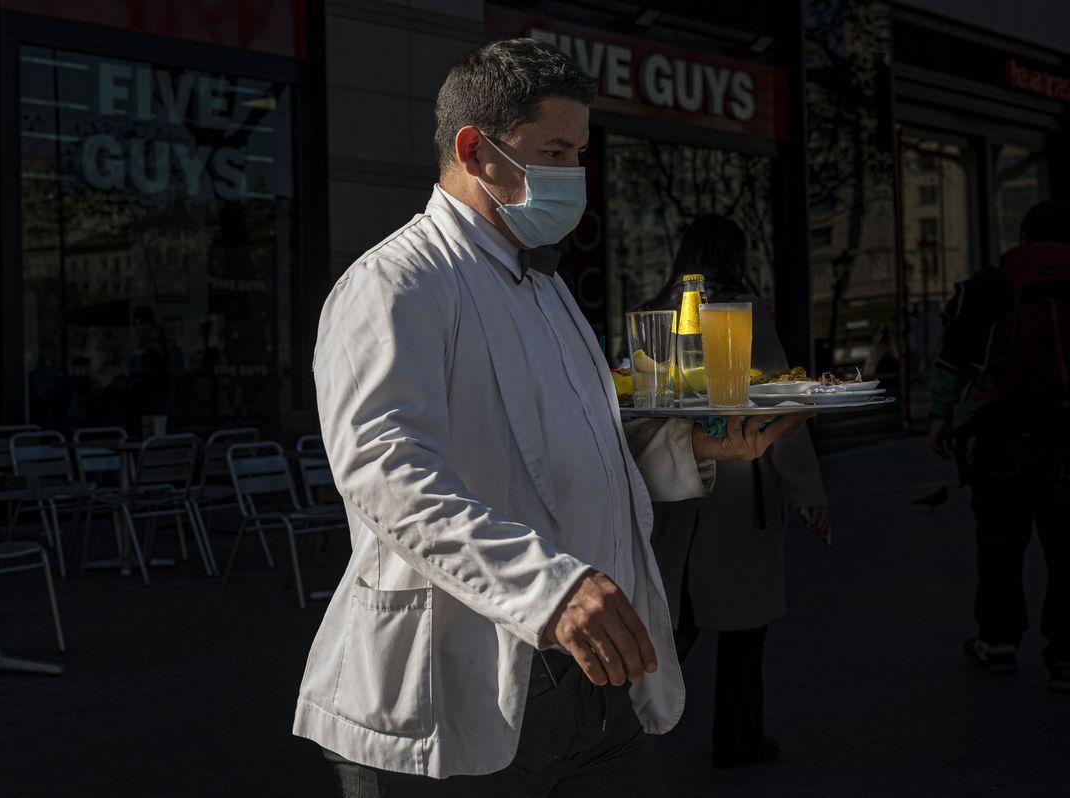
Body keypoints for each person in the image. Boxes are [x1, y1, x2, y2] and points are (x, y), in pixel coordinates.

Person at [292, 39, 811, 796]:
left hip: (593, 684)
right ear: (476, 150)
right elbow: (387, 475)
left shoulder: (545, 288)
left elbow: (578, 450)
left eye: (579, 152)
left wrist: (698, 451)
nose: (575, 175)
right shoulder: (395, 284)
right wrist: (551, 590)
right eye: (556, 151)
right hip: (460, 688)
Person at [640, 214, 830, 768]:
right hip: (739, 485)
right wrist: (807, 493)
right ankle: (738, 739)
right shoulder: (743, 310)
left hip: (675, 483)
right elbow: (779, 405)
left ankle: (628, 731)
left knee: (677, 618)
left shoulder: (662, 310)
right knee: (743, 626)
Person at [928, 200, 1070, 695]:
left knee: (999, 546)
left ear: (1023, 236)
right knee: (1064, 551)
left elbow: (954, 358)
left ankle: (999, 642)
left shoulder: (991, 285)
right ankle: (1065, 659)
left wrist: (939, 419)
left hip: (998, 436)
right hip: (1065, 438)